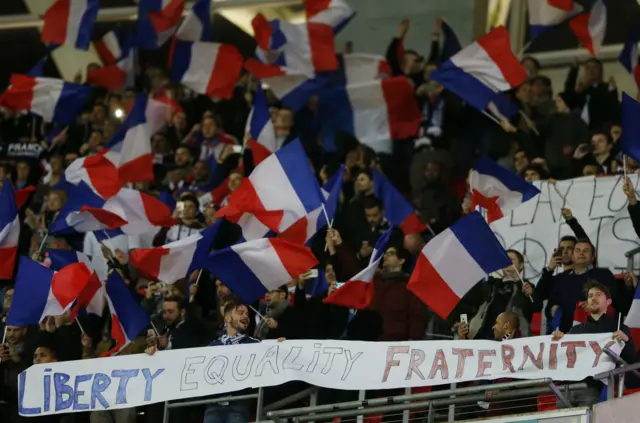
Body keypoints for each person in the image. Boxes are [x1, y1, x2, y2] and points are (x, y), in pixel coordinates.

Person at [552, 281, 637, 406]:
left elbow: (631, 359)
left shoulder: (619, 328)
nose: (593, 298)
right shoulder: (576, 330)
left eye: (598, 294)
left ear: (608, 301)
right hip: (566, 389)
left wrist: (626, 340)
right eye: (590, 296)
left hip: (594, 388)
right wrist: (558, 340)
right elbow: (561, 356)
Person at [203, 301, 260, 423]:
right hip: (212, 405)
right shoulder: (212, 346)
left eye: (247, 314)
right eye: (240, 313)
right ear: (228, 318)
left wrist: (279, 345)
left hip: (239, 404)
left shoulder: (254, 344)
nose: (245, 316)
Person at [458, 250, 534, 339]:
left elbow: (535, 307)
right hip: (480, 337)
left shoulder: (526, 288)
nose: (506, 262)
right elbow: (468, 304)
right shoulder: (489, 285)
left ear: (521, 265)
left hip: (507, 341)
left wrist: (531, 294)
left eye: (511, 260)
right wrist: (464, 328)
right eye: (504, 260)